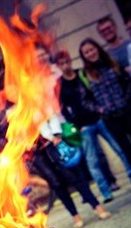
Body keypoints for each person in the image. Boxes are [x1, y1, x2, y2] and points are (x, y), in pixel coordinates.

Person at [55, 49, 131, 202]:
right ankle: (106, 193)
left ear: (70, 61)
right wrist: (75, 127)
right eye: (61, 63)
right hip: (83, 127)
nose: (65, 65)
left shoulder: (82, 74)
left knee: (120, 148)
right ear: (58, 66)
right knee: (92, 160)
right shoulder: (60, 85)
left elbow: (93, 92)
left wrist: (101, 110)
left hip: (98, 118)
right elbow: (63, 109)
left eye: (66, 61)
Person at [79, 38, 131, 173]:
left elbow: (127, 81)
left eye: (92, 49)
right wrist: (100, 109)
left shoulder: (112, 63)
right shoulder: (85, 74)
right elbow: (84, 100)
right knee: (126, 149)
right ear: (84, 56)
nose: (90, 53)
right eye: (86, 52)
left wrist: (126, 99)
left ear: (97, 48)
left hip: (127, 111)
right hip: (111, 118)